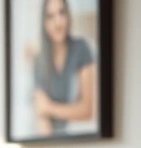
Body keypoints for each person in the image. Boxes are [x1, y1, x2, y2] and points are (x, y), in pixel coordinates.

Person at [33, 0, 97, 135]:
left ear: (68, 16)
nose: (58, 22)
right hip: (53, 142)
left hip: (81, 136)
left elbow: (87, 110)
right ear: (44, 23)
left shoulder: (82, 49)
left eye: (61, 13)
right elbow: (41, 113)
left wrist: (50, 108)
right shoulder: (40, 61)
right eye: (50, 16)